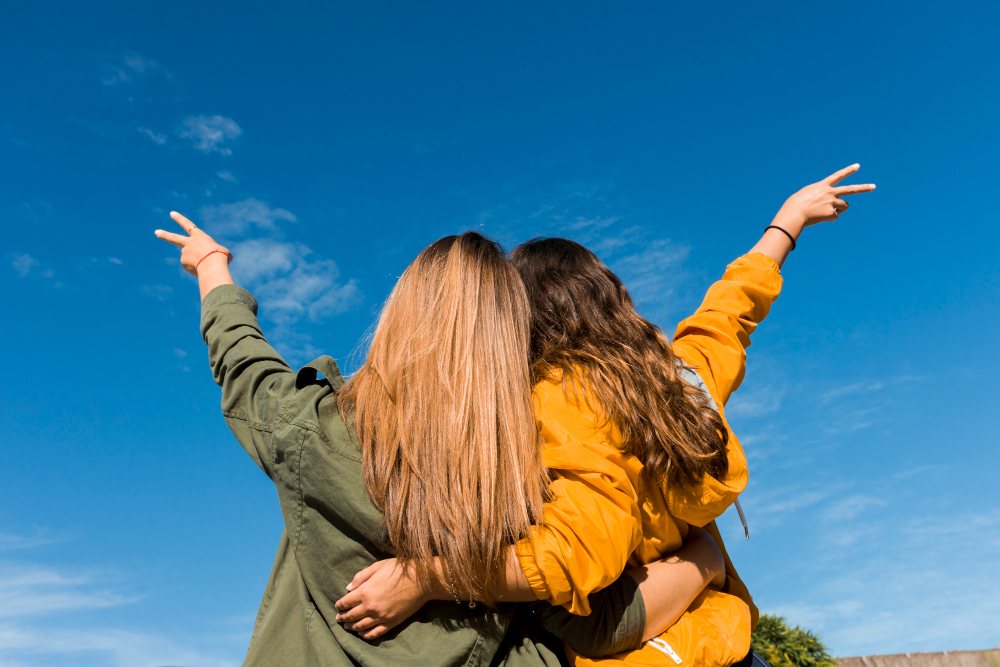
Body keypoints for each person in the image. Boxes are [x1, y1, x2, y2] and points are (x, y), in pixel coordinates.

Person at [334, 165, 876, 667]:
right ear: (612, 298)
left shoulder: (555, 398)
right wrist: (789, 220)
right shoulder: (682, 380)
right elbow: (730, 311)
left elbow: (571, 553)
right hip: (731, 646)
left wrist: (429, 578)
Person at [154, 221, 652, 666]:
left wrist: (210, 266)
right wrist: (703, 563)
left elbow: (243, 361)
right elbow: (597, 615)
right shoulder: (535, 478)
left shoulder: (309, 429)